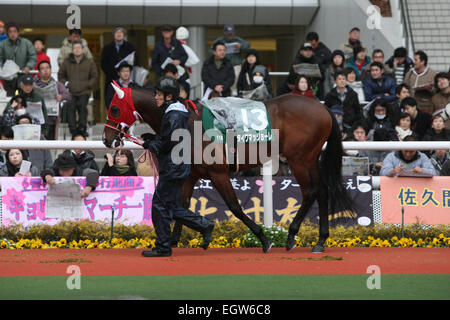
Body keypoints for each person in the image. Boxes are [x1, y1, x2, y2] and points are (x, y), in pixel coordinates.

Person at [140, 76, 214, 257]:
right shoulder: (177, 112)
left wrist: (150, 144)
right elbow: (168, 139)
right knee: (170, 207)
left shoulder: (173, 114)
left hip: (173, 168)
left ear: (169, 97)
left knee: (159, 205)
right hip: (179, 167)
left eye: (158, 94)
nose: (155, 97)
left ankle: (164, 247)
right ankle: (204, 225)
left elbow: (167, 145)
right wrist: (153, 138)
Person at [58, 40, 98, 136]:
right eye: (75, 48)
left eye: (79, 48)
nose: (77, 50)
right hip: (71, 91)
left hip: (85, 91)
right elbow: (61, 75)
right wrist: (67, 84)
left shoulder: (89, 62)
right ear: (72, 50)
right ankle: (73, 130)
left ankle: (82, 129)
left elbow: (95, 76)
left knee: (82, 108)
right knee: (71, 108)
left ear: (83, 50)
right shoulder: (66, 62)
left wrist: (88, 84)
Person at [33, 60, 72, 140]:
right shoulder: (33, 85)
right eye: (43, 68)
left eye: (47, 68)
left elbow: (68, 96)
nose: (45, 70)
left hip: (51, 121)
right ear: (39, 72)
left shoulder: (57, 85)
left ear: (51, 70)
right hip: (35, 121)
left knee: (49, 145)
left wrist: (61, 96)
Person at [210, 24, 250, 96]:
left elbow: (247, 45)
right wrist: (218, 53)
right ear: (224, 33)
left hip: (235, 64)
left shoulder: (237, 40)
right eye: (228, 34)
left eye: (231, 34)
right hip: (223, 64)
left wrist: (241, 46)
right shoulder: (220, 40)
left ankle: (234, 92)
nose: (229, 36)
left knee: (236, 77)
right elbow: (211, 50)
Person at [0, 22, 37, 96]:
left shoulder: (26, 43)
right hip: (9, 77)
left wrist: (28, 66)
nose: (12, 34)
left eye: (14, 31)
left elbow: (33, 56)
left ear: (18, 32)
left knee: (25, 98)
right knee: (9, 99)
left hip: (24, 75)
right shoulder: (3, 44)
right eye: (10, 31)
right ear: (7, 33)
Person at [101, 26, 137, 99]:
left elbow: (135, 62)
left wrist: (126, 72)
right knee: (112, 98)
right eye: (117, 32)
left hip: (127, 78)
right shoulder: (107, 48)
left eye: (121, 32)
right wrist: (110, 72)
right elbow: (103, 63)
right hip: (111, 78)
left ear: (124, 35)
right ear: (114, 35)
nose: (119, 34)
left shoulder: (130, 47)